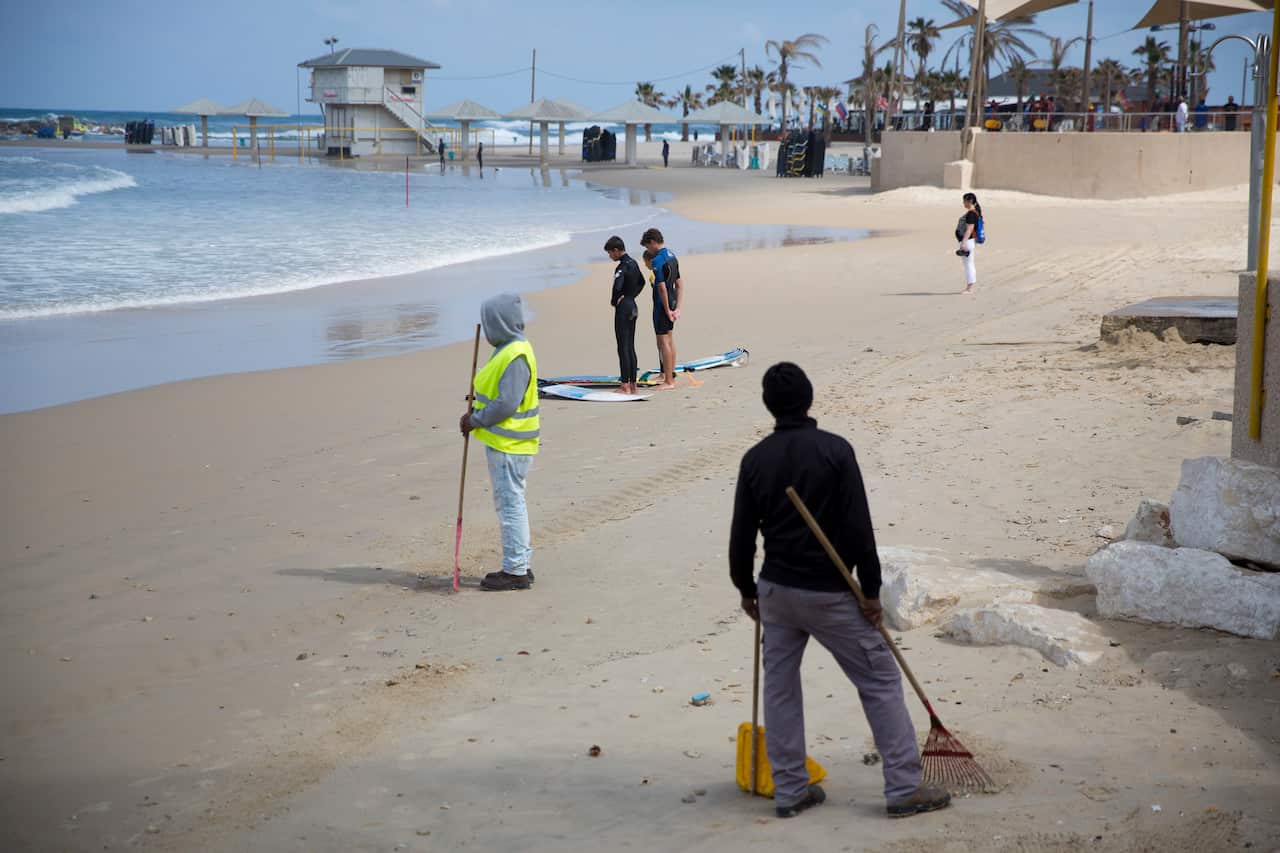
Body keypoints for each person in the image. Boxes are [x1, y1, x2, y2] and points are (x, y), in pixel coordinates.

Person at [729, 362, 952, 820]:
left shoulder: (755, 459)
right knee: (880, 681)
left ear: (770, 405)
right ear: (809, 398)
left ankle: (791, 790)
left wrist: (747, 590)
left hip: (777, 592)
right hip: (830, 592)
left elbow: (740, 538)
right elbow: (858, 529)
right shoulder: (835, 451)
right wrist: (870, 592)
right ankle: (904, 788)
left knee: (781, 688)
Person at [459, 293, 540, 591]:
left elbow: (507, 403)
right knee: (512, 503)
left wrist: (476, 420)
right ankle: (521, 562)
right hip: (509, 445)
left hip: (510, 445)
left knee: (510, 505)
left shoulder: (515, 354)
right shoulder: (508, 349)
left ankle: (516, 570)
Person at [639, 228, 682, 390]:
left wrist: (666, 309)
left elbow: (662, 288)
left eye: (647, 248)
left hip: (662, 305)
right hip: (672, 302)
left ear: (652, 242)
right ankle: (667, 374)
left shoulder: (657, 260)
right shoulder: (672, 255)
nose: (648, 252)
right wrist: (677, 307)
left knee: (663, 342)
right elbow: (679, 283)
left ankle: (669, 381)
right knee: (669, 340)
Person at [605, 236, 645, 395]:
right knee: (630, 345)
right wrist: (631, 296)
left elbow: (617, 286)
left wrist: (615, 300)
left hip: (623, 309)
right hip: (633, 305)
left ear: (616, 250)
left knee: (622, 346)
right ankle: (633, 385)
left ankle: (624, 386)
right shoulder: (634, 263)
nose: (610, 256)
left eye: (610, 253)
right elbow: (641, 282)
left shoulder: (622, 267)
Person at [955, 192, 981, 296]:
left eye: (964, 201)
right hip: (969, 241)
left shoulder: (971, 213)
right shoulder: (974, 212)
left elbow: (969, 229)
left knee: (969, 265)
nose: (963, 203)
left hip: (968, 241)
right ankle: (970, 286)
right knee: (968, 264)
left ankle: (969, 288)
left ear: (969, 201)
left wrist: (963, 242)